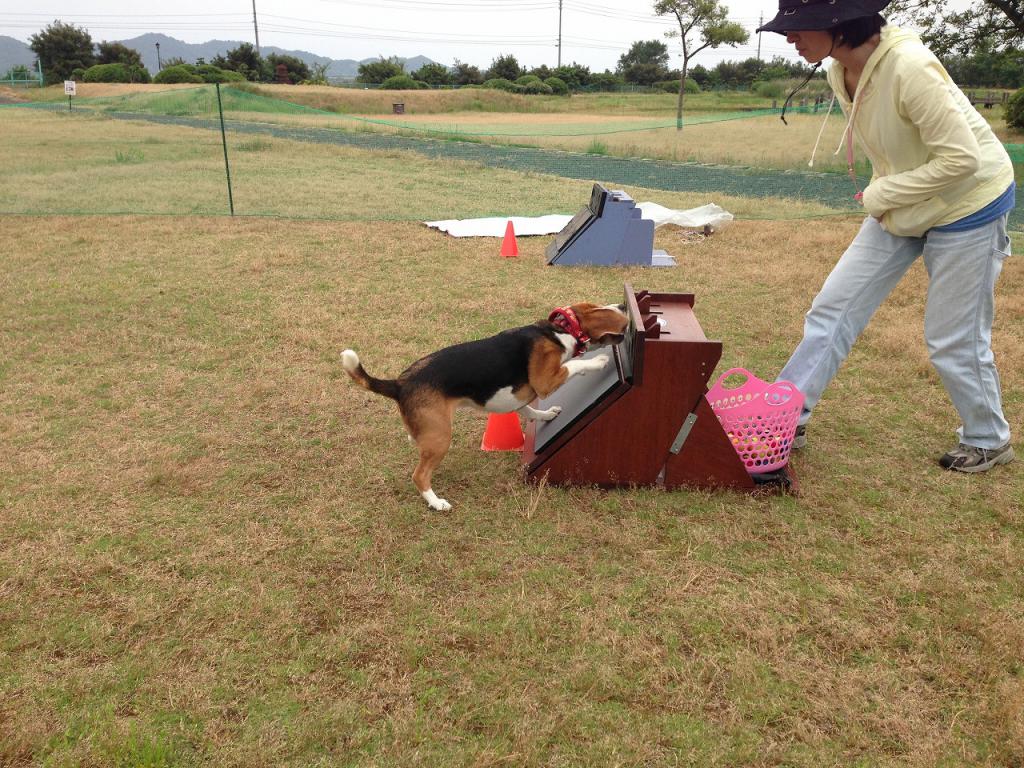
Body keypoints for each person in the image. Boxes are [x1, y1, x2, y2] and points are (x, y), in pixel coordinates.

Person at [757, 0, 1016, 473]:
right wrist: (890, 193)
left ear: (838, 24)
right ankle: (785, 415)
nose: (790, 39)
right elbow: (893, 142)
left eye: (799, 29)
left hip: (967, 204)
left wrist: (884, 192)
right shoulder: (841, 68)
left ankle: (988, 439)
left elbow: (963, 160)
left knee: (952, 337)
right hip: (901, 202)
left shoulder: (910, 67)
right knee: (833, 306)